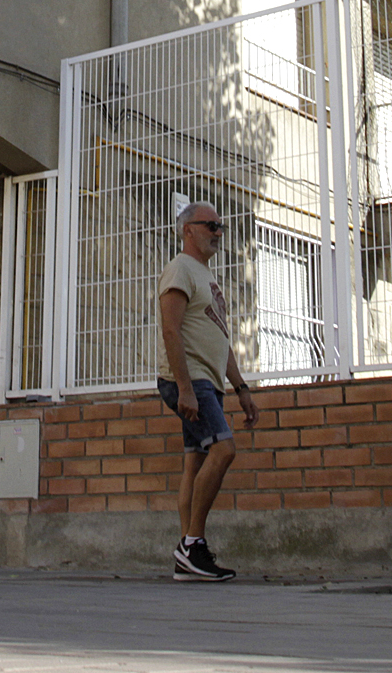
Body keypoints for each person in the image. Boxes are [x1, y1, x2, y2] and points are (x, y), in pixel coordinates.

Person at [157, 200, 259, 582]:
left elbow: (220, 338)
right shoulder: (180, 269)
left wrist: (242, 388)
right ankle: (193, 545)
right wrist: (184, 387)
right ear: (188, 230)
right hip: (190, 380)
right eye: (211, 225)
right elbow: (171, 329)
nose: (218, 232)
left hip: (208, 381)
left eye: (221, 226)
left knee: (195, 463)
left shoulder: (206, 277)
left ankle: (188, 554)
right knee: (224, 449)